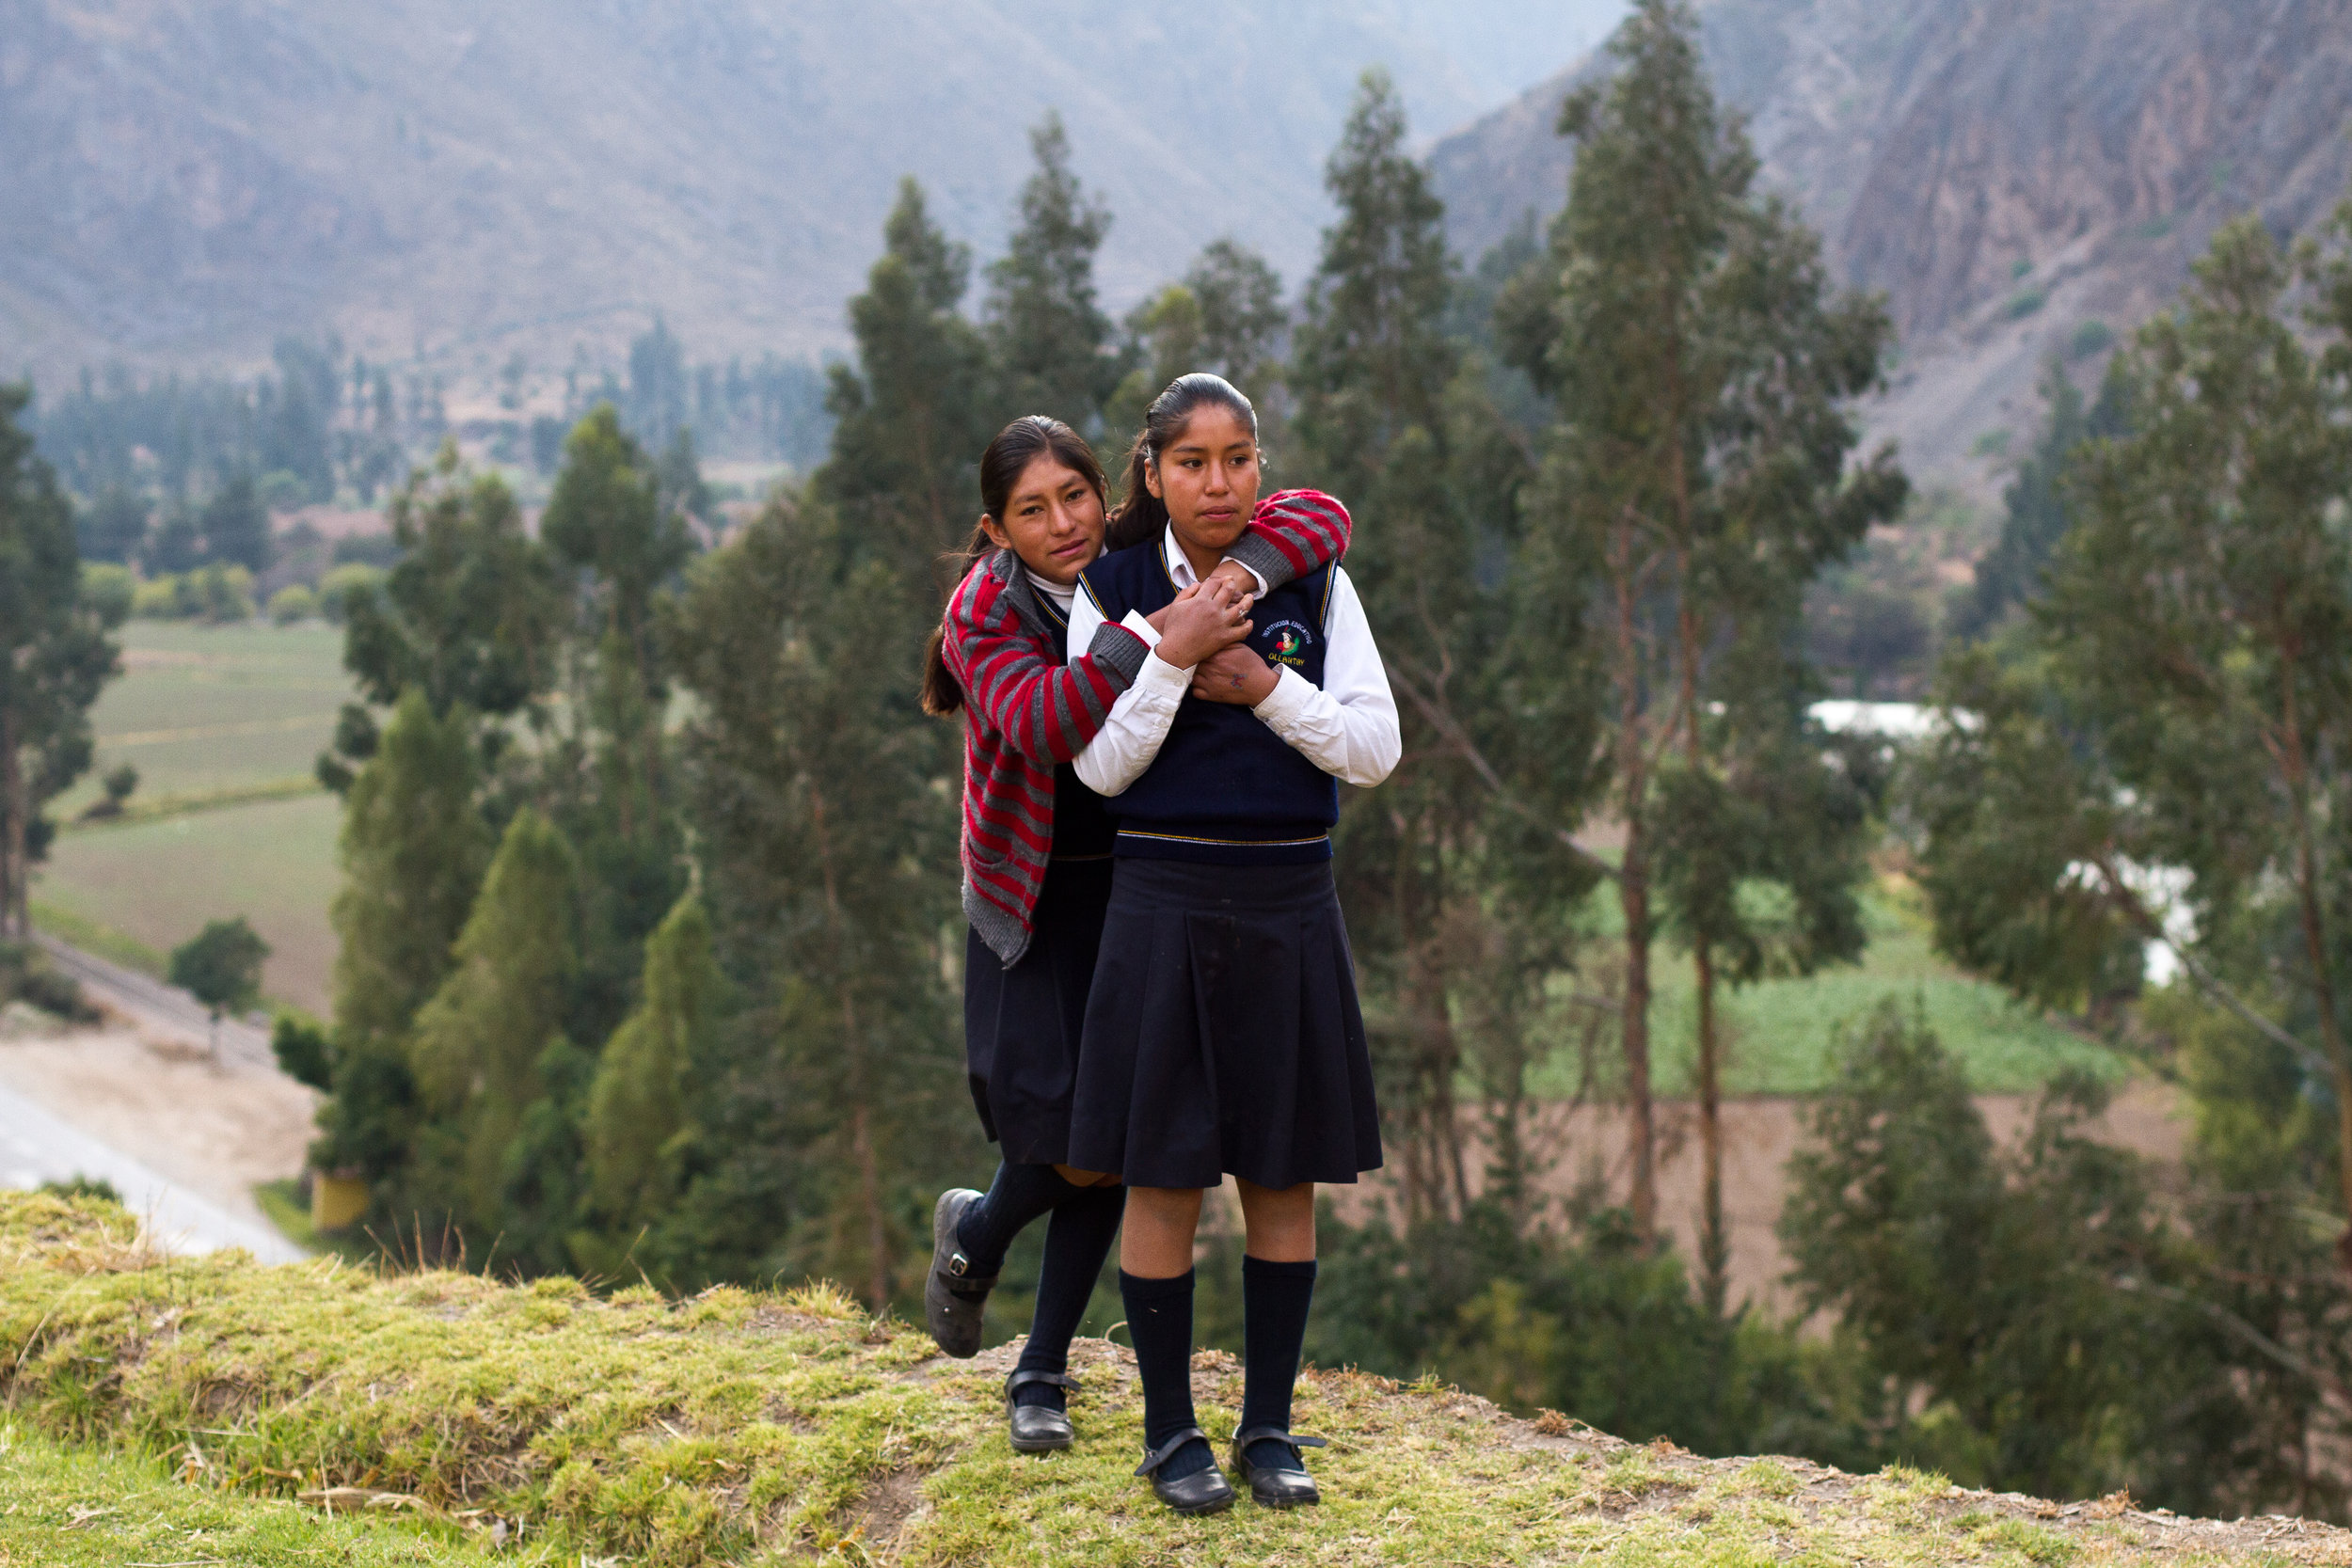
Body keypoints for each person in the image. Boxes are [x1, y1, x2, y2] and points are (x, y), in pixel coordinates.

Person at [921, 413, 1353, 1459]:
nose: (1063, 523)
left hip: (1131, 880)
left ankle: (1041, 1365)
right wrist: (1169, 632)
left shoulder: (1135, 554)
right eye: (1032, 510)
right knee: (1064, 1138)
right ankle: (975, 1234)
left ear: (1108, 491)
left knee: (1111, 1141)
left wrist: (1224, 581)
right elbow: (1047, 724)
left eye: (1076, 497)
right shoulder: (985, 608)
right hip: (1031, 896)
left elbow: (1319, 517)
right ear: (996, 528)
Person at [1062, 373, 1399, 1514]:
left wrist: (1262, 688)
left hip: (1288, 907)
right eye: (1192, 461)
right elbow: (1098, 764)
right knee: (1161, 1175)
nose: (1218, 481)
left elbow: (1371, 745)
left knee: (1279, 1171)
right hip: (1158, 907)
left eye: (1239, 457)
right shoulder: (1104, 587)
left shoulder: (1311, 578)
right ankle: (1169, 1435)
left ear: (1261, 467)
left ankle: (1268, 1429)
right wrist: (1170, 652)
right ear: (1150, 473)